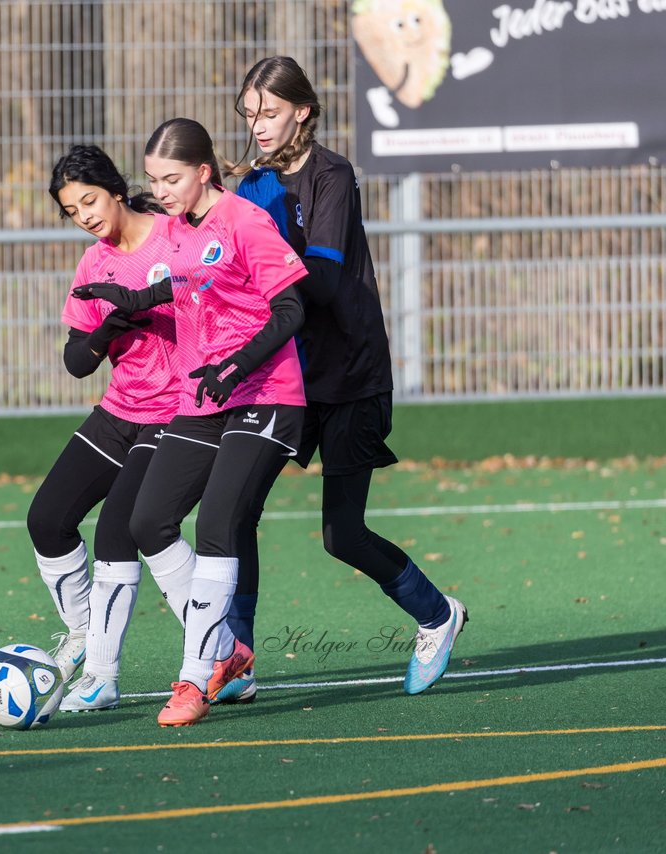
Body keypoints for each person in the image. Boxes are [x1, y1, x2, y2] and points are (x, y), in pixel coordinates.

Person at [228, 55, 467, 698]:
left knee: (342, 534)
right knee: (235, 513)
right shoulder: (250, 185)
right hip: (287, 376)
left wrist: (259, 269)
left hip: (351, 372)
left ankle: (437, 614)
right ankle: (236, 657)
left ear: (302, 110)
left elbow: (326, 282)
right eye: (249, 115)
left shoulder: (333, 174)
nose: (258, 125)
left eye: (269, 112)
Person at [73, 118, 308, 726]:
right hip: (205, 395)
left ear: (204, 171)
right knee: (147, 519)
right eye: (152, 178)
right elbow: (183, 284)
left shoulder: (246, 221)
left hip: (267, 393)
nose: (161, 189)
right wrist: (134, 303)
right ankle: (228, 651)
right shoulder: (177, 231)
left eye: (171, 178)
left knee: (218, 524)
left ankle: (194, 678)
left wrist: (239, 362)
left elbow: (290, 309)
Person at [27, 144, 179, 712]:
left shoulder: (174, 237)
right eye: (72, 210)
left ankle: (102, 674)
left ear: (116, 188)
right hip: (120, 411)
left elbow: (212, 299)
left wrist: (150, 300)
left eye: (89, 200)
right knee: (47, 518)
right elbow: (76, 360)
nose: (85, 215)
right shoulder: (95, 263)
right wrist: (106, 330)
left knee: (118, 529)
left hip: (178, 412)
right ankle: (83, 632)